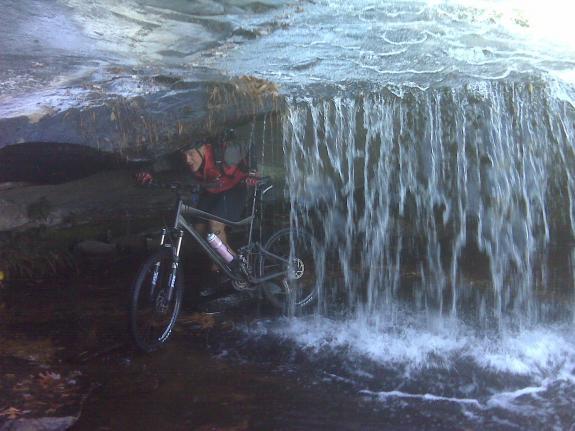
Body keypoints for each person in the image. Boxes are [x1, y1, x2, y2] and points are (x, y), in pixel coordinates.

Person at [136, 132, 253, 269]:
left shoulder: (224, 153)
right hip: (212, 188)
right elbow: (167, 162)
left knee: (215, 226)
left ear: (203, 149)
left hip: (234, 187)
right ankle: (218, 266)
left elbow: (248, 145)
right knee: (199, 229)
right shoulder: (185, 158)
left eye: (191, 154)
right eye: (185, 155)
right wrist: (148, 171)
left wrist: (253, 171)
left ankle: (238, 268)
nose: (187, 159)